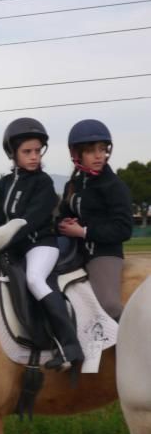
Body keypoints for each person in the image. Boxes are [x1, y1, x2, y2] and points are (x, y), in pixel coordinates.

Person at [0, 117, 84, 370]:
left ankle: (69, 343)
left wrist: (1, 242)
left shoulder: (44, 183)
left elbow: (29, 221)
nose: (34, 156)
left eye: (37, 151)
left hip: (41, 245)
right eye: (27, 151)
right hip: (14, 247)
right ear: (13, 153)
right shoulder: (5, 184)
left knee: (35, 279)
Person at [57, 119, 133, 320]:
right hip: (74, 252)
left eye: (102, 149)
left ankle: (131, 344)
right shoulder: (73, 185)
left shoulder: (114, 186)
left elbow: (124, 229)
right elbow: (63, 214)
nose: (99, 155)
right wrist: (63, 224)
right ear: (77, 155)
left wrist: (83, 232)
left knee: (108, 305)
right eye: (91, 151)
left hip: (103, 254)